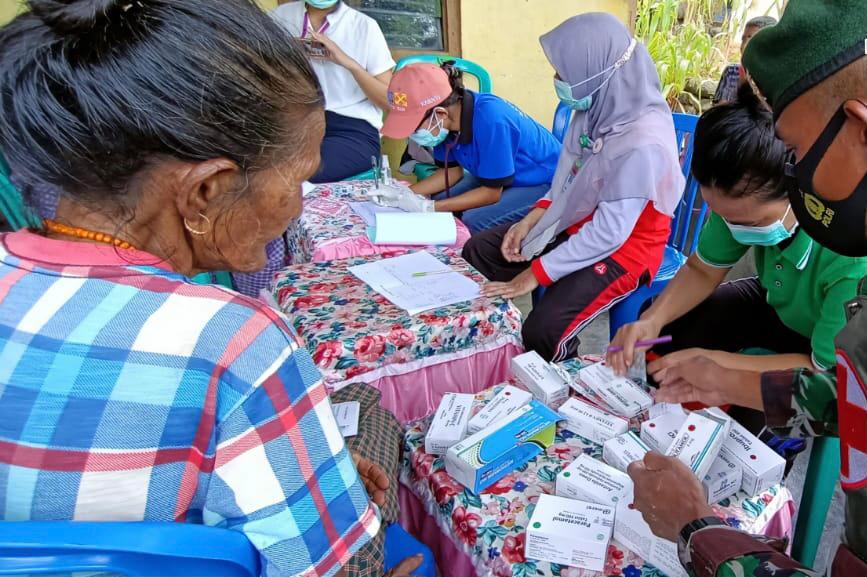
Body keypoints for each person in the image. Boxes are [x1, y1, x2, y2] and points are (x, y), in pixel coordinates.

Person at [0, 2, 419, 576]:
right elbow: (331, 569)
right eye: (298, 179)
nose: (298, 207)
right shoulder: (239, 343)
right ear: (207, 191)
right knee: (368, 409)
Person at [623, 1, 867, 575]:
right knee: (695, 328)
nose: (795, 171)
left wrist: (697, 530)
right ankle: (696, 437)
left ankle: (748, 469)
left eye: (798, 154)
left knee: (720, 356)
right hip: (785, 309)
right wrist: (666, 330)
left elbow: (828, 373)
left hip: (815, 340)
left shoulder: (847, 252)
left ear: (856, 126)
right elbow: (705, 270)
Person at [459, 13, 684, 361]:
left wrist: (534, 274)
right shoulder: (593, 109)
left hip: (625, 250)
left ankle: (565, 387)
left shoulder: (644, 144)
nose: (557, 79)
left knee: (544, 330)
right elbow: (566, 179)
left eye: (563, 72)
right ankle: (473, 350)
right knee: (479, 250)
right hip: (573, 221)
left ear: (596, 70)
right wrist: (532, 219)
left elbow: (610, 233)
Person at [608, 88, 864, 384]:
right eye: (722, 216)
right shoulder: (737, 198)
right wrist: (651, 322)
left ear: (795, 190)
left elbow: (824, 373)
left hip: (825, 354)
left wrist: (716, 365)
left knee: (758, 406)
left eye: (746, 220)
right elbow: (702, 270)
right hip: (776, 304)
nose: (732, 227)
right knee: (671, 326)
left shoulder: (851, 261)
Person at [376, 62, 561, 234]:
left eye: (414, 127)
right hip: (498, 178)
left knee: (473, 221)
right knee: (441, 201)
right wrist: (403, 194)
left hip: (548, 182)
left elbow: (491, 193)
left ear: (439, 113)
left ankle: (475, 265)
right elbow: (451, 173)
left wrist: (428, 207)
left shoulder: (491, 119)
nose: (412, 135)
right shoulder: (445, 120)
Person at [272, 0, 394, 184]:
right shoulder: (278, 18)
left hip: (351, 129)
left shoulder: (364, 26)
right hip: (292, 123)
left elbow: (391, 100)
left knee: (297, 172)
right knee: (254, 168)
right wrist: (282, 56)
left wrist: (346, 61)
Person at [712, 15, 776, 106]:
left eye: (751, 39)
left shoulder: (777, 80)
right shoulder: (732, 72)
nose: (743, 46)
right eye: (743, 39)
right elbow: (719, 110)